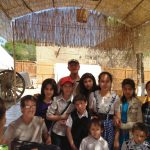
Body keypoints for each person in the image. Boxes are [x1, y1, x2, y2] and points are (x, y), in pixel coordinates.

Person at [89, 71, 119, 149]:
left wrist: (116, 140)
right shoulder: (93, 95)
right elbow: (89, 112)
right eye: (102, 81)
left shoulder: (115, 97)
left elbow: (117, 120)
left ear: (111, 82)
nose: (105, 84)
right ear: (98, 82)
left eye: (107, 81)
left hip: (109, 128)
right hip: (95, 127)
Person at [47, 76, 75, 150]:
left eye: (70, 86)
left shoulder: (75, 101)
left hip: (70, 133)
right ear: (61, 87)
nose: (68, 88)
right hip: (57, 131)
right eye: (65, 86)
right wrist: (61, 117)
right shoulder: (56, 99)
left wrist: (68, 120)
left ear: (73, 88)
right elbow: (48, 116)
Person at [115, 78, 143, 148]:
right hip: (121, 134)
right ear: (122, 89)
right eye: (125, 89)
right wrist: (116, 139)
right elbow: (117, 122)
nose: (127, 91)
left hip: (133, 134)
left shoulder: (137, 103)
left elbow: (139, 122)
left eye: (130, 89)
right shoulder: (119, 102)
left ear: (134, 89)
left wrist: (124, 126)